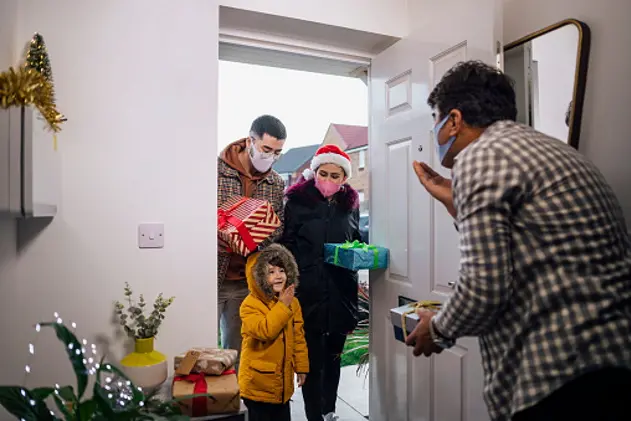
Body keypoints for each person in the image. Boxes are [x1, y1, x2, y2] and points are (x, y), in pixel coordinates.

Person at [405, 60, 631, 421]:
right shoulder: (550, 149)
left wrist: (438, 329)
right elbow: (528, 249)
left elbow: (484, 290)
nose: (434, 130)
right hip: (610, 362)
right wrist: (455, 203)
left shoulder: (479, 158)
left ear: (454, 120)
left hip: (559, 376)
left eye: (435, 118)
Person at [281, 144, 362, 421]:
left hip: (340, 293)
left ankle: (329, 411)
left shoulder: (349, 206)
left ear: (344, 179)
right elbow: (287, 245)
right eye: (323, 173)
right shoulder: (296, 203)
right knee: (312, 361)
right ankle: (314, 414)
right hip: (308, 292)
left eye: (335, 175)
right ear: (314, 173)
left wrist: (361, 256)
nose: (328, 180)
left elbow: (356, 241)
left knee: (334, 358)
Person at [217, 115, 286, 366]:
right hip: (211, 276)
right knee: (200, 344)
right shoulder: (214, 171)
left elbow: (278, 229)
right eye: (266, 149)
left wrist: (256, 237)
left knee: (236, 350)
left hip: (246, 280)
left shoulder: (276, 182)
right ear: (250, 141)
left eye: (277, 152)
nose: (271, 156)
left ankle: (233, 399)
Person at [239, 244, 309, 421]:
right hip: (257, 386)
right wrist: (282, 306)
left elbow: (298, 337)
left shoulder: (293, 303)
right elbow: (265, 331)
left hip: (282, 386)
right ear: (258, 277)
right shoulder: (249, 306)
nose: (278, 276)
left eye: (281, 270)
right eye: (270, 272)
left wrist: (301, 367)